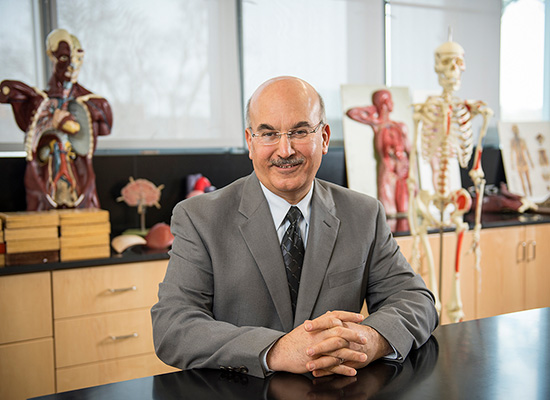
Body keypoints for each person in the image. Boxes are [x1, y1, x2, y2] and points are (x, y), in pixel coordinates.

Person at [151, 76, 438, 379]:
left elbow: (417, 301)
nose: (285, 150)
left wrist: (371, 340)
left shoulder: (363, 214)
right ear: (250, 142)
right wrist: (275, 350)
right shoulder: (199, 217)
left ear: (325, 137)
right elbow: (173, 326)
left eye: (300, 131)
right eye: (268, 134)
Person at [0, 28, 112, 210]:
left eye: (78, 59)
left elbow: (94, 128)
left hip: (73, 161)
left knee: (81, 190)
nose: (72, 66)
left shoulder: (91, 102)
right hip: (48, 159)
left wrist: (70, 123)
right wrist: (52, 122)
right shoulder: (38, 100)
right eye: (64, 59)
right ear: (51, 57)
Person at [346, 90, 411, 219]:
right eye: (389, 100)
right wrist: (371, 108)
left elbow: (410, 149)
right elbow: (352, 113)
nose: (392, 103)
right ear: (384, 103)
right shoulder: (377, 124)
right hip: (387, 166)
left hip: (402, 167)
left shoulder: (399, 126)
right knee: (389, 208)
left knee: (404, 206)